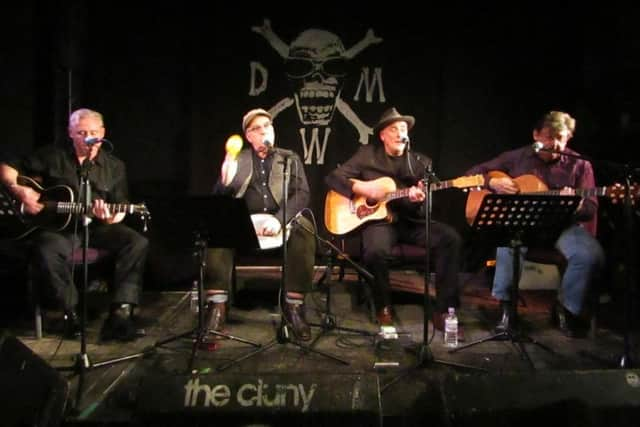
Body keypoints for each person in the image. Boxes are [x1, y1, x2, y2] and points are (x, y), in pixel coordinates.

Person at [0, 108, 149, 341]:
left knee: (136, 241)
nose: (88, 138)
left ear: (102, 133)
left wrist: (110, 216)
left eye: (92, 133)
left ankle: (121, 312)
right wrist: (19, 190)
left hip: (98, 228)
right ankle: (69, 312)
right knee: (47, 248)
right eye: (81, 132)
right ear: (70, 133)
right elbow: (6, 166)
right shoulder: (52, 156)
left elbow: (120, 204)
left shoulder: (114, 166)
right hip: (61, 229)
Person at [325, 107, 464, 337]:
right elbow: (333, 177)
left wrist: (420, 199)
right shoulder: (367, 155)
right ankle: (383, 306)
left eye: (403, 129)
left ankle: (444, 310)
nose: (400, 133)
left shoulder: (420, 163)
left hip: (410, 222)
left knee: (451, 239)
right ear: (382, 135)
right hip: (379, 222)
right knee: (376, 251)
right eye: (394, 129)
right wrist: (362, 187)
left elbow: (426, 204)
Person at [465, 110, 605, 337]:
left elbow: (590, 208)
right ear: (536, 135)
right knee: (508, 247)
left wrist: (576, 204)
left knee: (588, 255)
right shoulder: (518, 157)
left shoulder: (581, 166)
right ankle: (507, 311)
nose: (555, 143)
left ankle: (567, 308)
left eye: (561, 137)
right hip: (524, 224)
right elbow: (474, 173)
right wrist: (494, 181)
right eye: (549, 137)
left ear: (568, 138)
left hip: (562, 227)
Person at [203, 108, 316, 341]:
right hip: (244, 224)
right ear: (248, 136)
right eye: (257, 128)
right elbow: (218, 202)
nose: (264, 130)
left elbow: (302, 193)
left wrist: (280, 219)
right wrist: (224, 181)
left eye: (268, 125)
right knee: (217, 227)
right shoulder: (238, 159)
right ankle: (217, 307)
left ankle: (294, 306)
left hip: (279, 221)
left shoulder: (289, 157)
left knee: (305, 227)